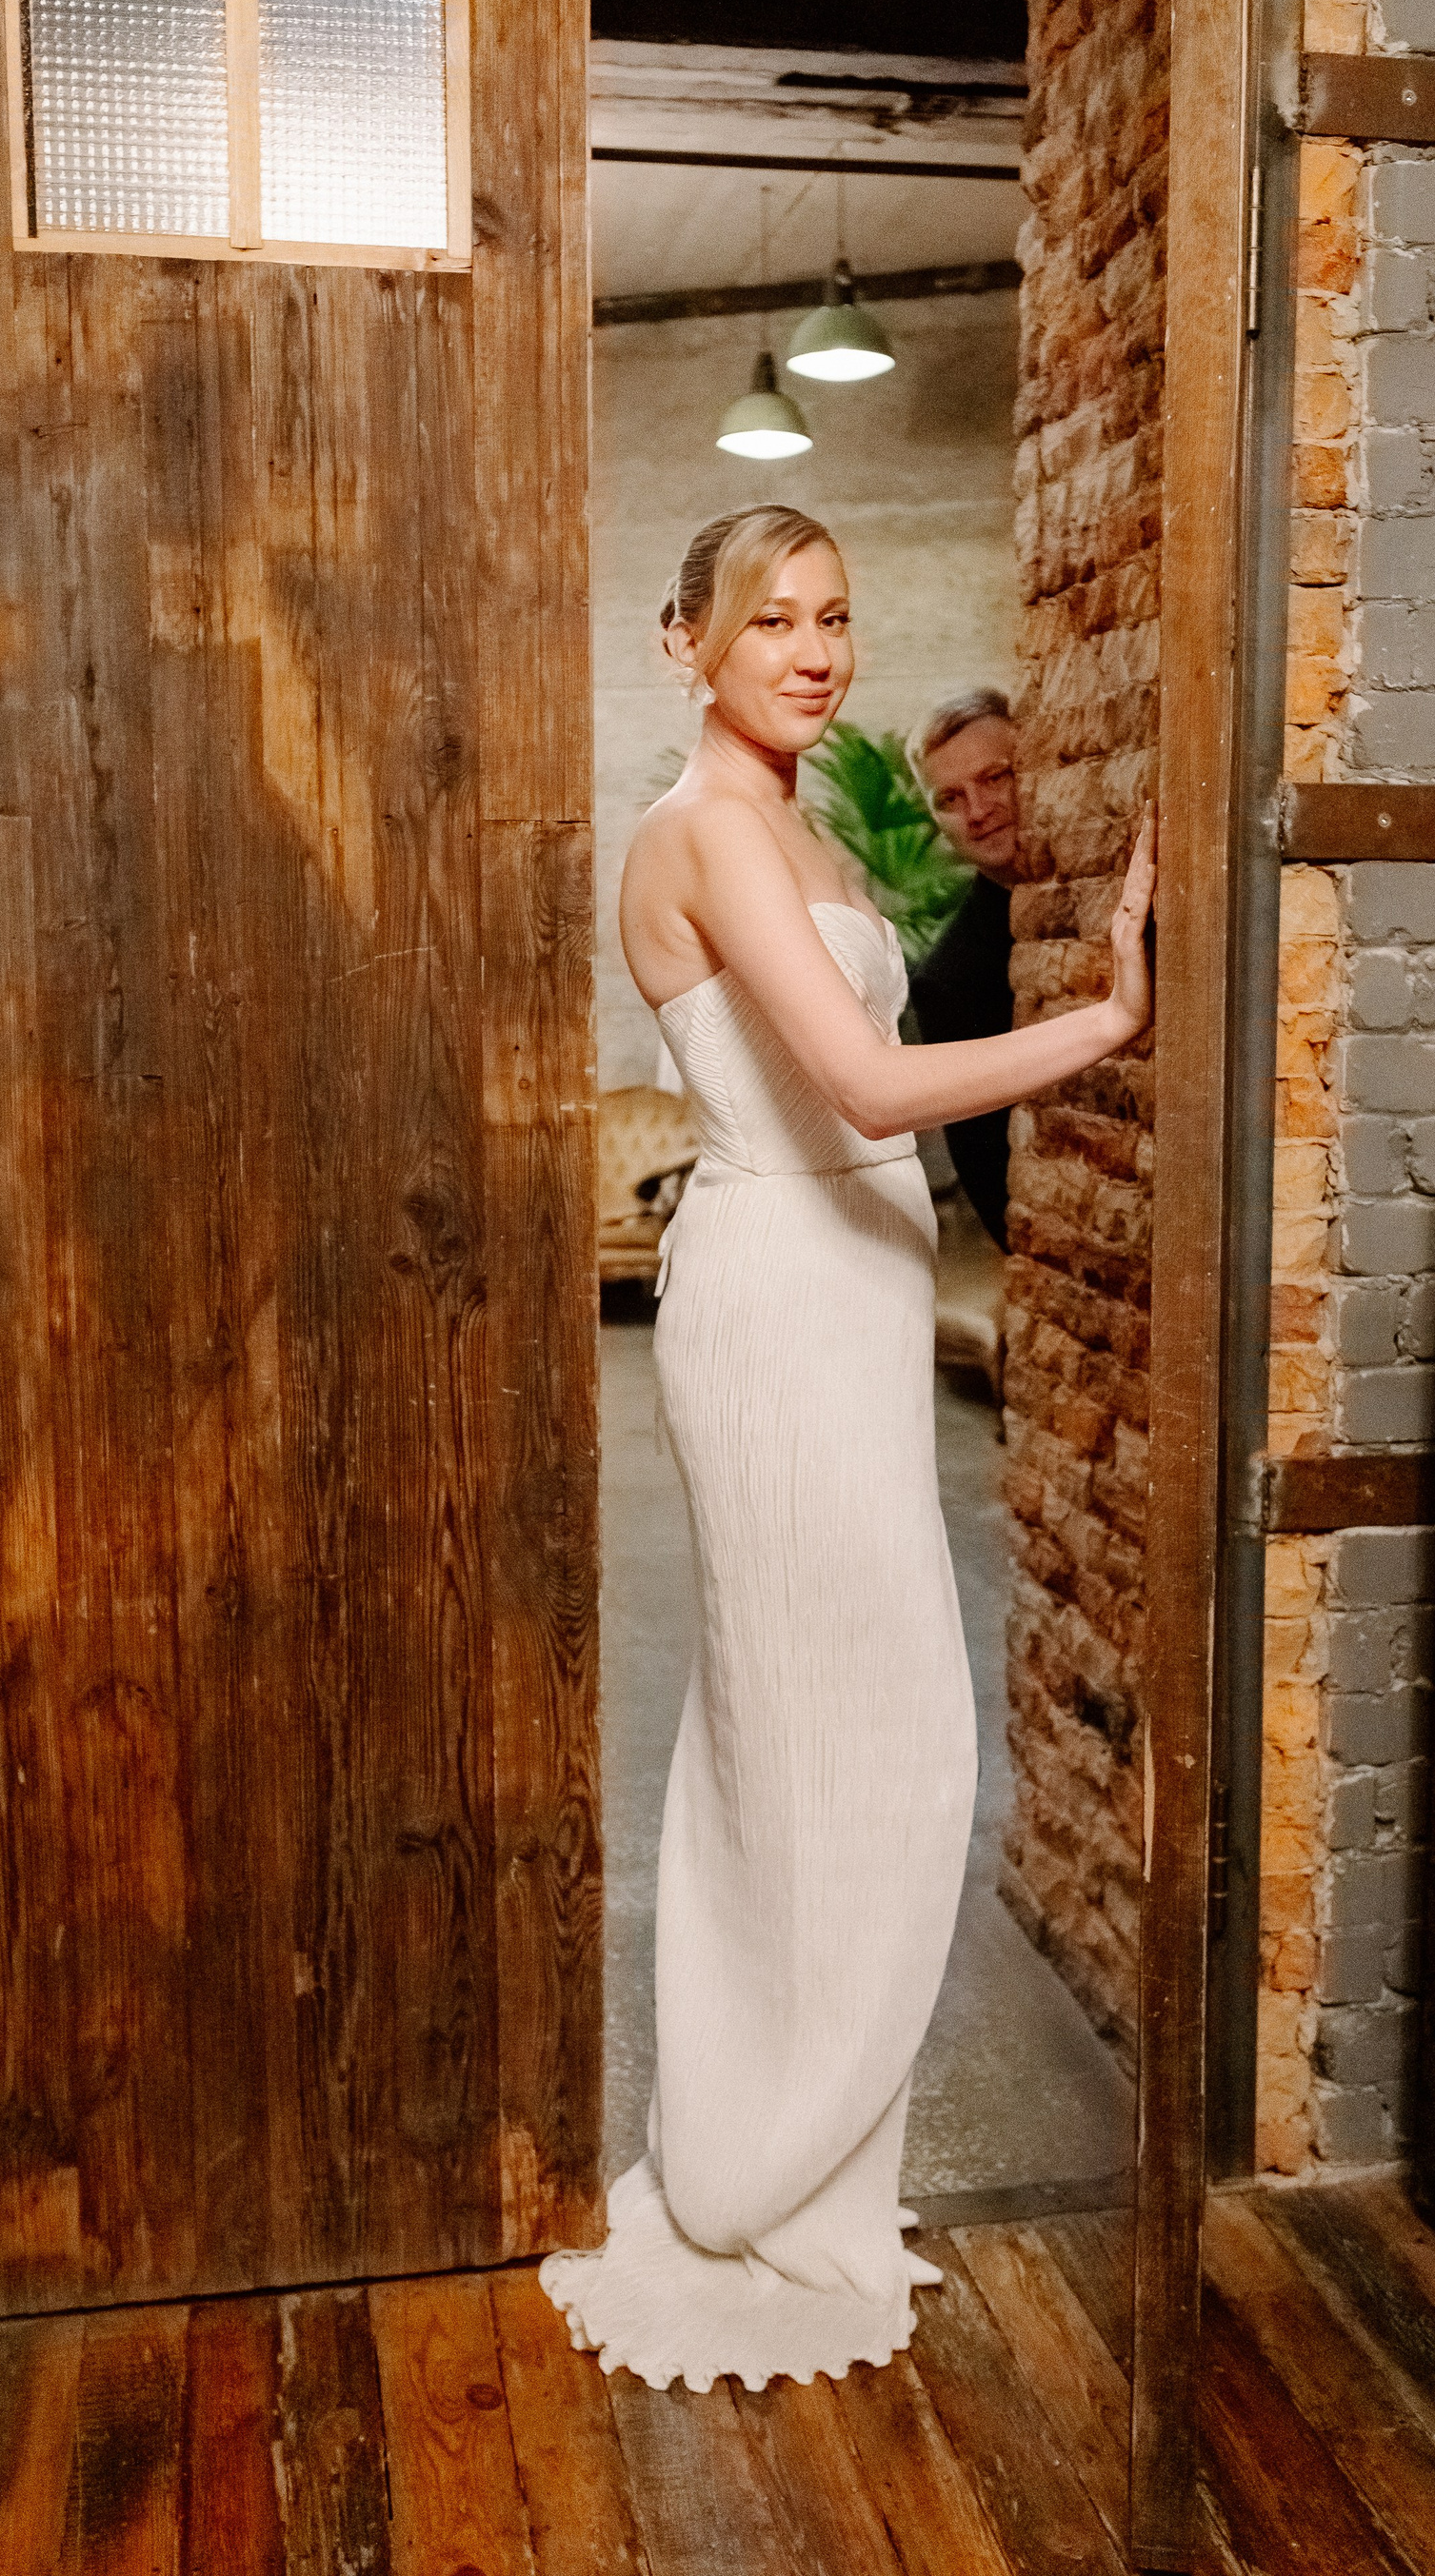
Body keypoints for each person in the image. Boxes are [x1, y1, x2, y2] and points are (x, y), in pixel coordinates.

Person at [541, 505, 1155, 2392]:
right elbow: (870, 1087)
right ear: (687, 644)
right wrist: (1113, 1016)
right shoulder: (709, 831)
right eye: (769, 620)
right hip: (783, 1310)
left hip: (855, 1310)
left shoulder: (800, 825)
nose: (813, 651)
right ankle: (752, 2167)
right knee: (826, 1747)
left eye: (833, 615)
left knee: (835, 1743)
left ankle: (799, 2158)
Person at [907, 689, 1022, 1250]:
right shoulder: (949, 979)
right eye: (949, 799)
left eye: (995, 778)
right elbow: (997, 1196)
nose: (977, 813)